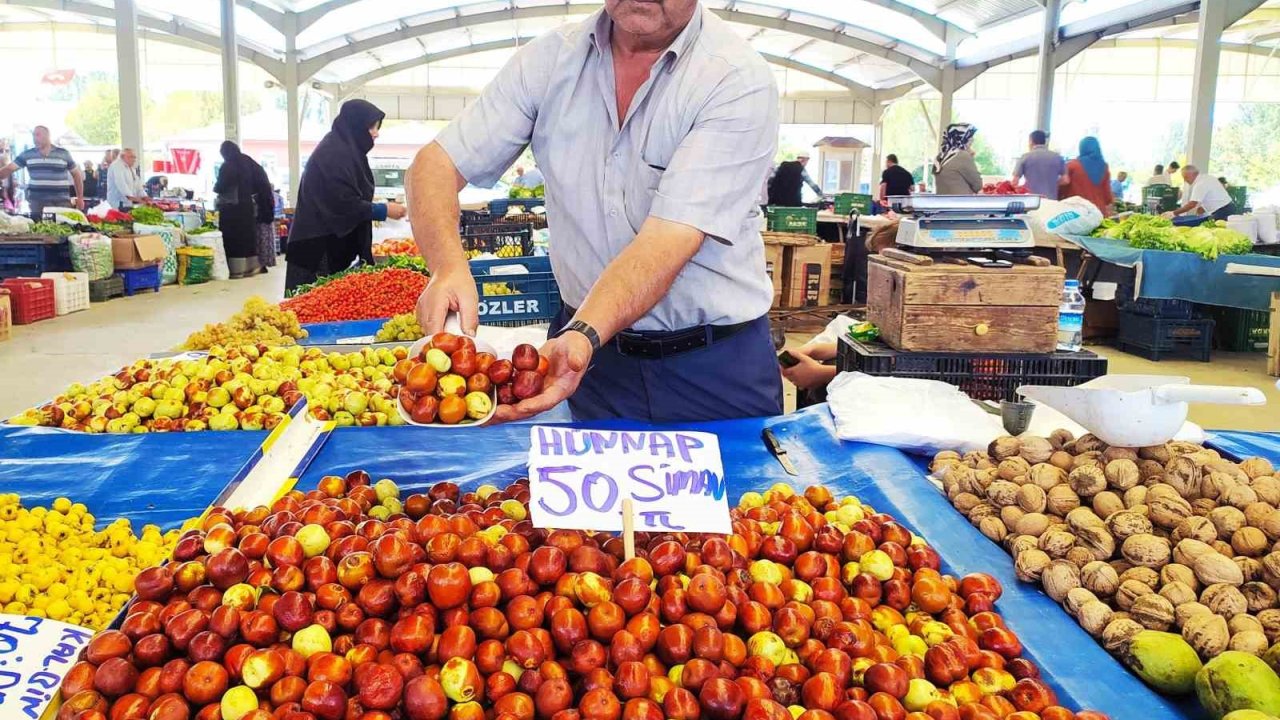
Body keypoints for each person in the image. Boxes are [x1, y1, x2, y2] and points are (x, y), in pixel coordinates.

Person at [407, 0, 782, 424]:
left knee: (738, 488)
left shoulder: (734, 77)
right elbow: (436, 164)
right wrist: (447, 267)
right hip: (596, 367)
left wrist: (584, 331)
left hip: (713, 367)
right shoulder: (550, 61)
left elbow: (669, 240)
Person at [286, 100, 407, 291]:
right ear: (356, 125)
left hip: (328, 244)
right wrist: (383, 210)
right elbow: (342, 203)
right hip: (317, 249)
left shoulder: (345, 150)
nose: (376, 133)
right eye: (371, 127)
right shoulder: (333, 154)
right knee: (314, 307)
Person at [0, 126, 84, 219]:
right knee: (39, 230)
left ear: (48, 135)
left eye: (38, 135)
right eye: (33, 136)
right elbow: (9, 168)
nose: (35, 139)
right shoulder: (27, 154)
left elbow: (76, 175)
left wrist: (80, 198)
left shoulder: (63, 153)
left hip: (61, 202)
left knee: (63, 229)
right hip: (37, 203)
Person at [213, 142, 262, 279]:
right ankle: (251, 268)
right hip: (248, 206)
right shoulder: (248, 162)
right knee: (248, 237)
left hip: (231, 209)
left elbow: (220, 186)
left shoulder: (228, 166)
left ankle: (237, 271)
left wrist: (216, 188)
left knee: (233, 239)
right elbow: (261, 181)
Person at [1062, 136, 1114, 216]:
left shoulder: (1072, 166)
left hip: (1077, 213)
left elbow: (1062, 189)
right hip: (1099, 213)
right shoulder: (1104, 167)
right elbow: (1107, 197)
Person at [1011, 130, 1067, 199]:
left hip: (1031, 201)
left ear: (1031, 141)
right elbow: (1066, 180)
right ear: (1044, 141)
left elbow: (1014, 182)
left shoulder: (1025, 157)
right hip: (1051, 200)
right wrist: (1053, 184)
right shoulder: (1058, 157)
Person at [1167, 164, 1235, 220]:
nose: (1185, 180)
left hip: (1223, 210)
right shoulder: (1207, 177)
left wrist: (1173, 213)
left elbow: (1192, 204)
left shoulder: (1200, 184)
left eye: (1185, 177)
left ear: (1190, 175)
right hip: (1228, 207)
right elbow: (1209, 199)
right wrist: (1199, 214)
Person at [933, 123, 982, 195]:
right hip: (959, 204)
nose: (972, 139)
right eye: (969, 136)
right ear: (961, 138)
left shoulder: (941, 157)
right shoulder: (963, 156)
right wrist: (970, 157)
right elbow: (978, 186)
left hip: (942, 203)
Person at [247, 155, 276, 272]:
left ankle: (260, 264)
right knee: (265, 238)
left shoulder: (254, 182)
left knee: (260, 238)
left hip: (261, 214)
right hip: (267, 213)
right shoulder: (261, 176)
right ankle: (263, 264)